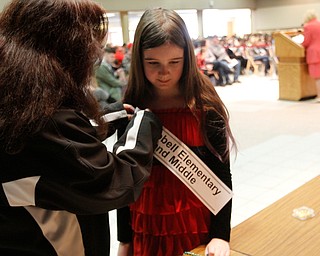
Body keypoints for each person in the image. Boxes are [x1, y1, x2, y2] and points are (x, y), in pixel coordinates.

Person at [0, 1, 162, 256]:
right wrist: (144, 123)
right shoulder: (47, 121)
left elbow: (68, 140)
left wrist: (112, 116)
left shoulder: (18, 100)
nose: (95, 51)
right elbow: (116, 180)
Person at [119, 8, 235, 256]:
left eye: (174, 62)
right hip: (145, 224)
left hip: (193, 223)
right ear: (139, 60)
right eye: (153, 63)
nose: (164, 72)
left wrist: (221, 235)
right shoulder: (133, 105)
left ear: (188, 58)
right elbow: (124, 176)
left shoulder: (204, 105)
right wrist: (124, 239)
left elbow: (221, 173)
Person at [301, 10, 320, 102]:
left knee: (317, 76)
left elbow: (306, 41)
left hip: (314, 53)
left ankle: (319, 96)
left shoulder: (308, 26)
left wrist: (301, 45)